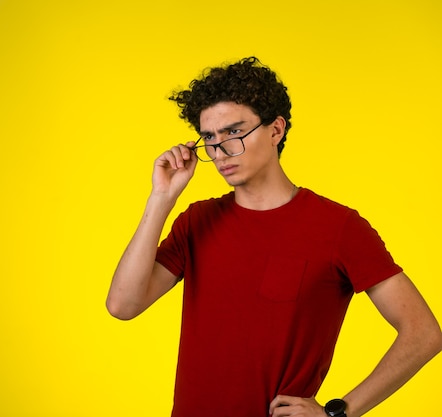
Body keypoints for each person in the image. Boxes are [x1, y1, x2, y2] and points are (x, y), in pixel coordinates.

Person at [106, 57, 442, 417]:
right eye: (209, 139)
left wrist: (339, 412)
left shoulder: (338, 227)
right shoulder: (197, 221)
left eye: (234, 133)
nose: (220, 152)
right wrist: (161, 199)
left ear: (275, 130)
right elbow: (123, 306)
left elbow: (423, 333)